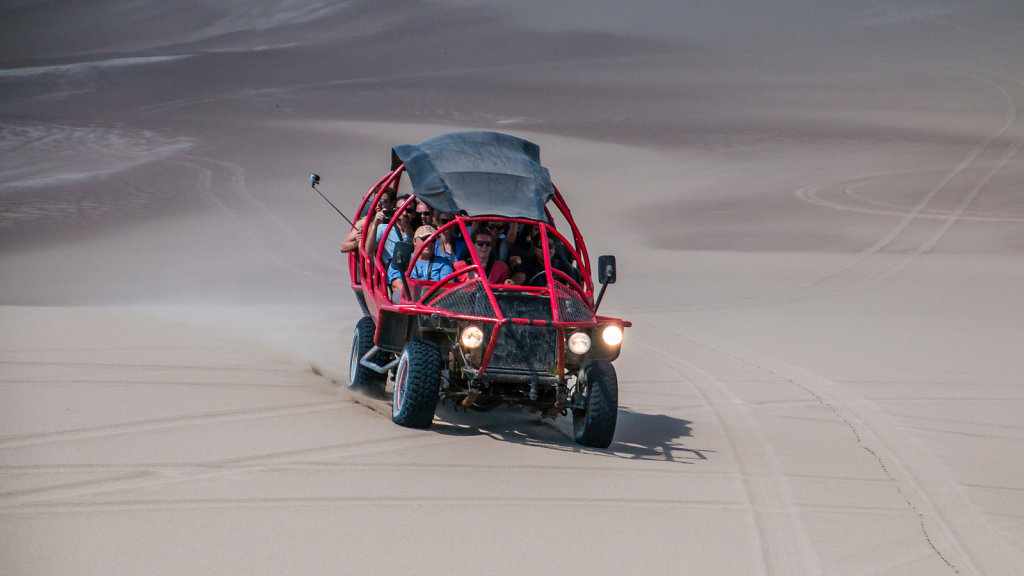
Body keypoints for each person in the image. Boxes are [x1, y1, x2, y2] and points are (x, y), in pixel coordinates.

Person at [388, 225, 455, 296]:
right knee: (397, 294)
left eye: (432, 240)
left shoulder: (443, 262)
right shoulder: (402, 258)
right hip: (408, 301)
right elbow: (396, 284)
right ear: (414, 241)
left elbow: (447, 286)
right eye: (425, 239)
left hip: (433, 301)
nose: (429, 243)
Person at [340, 186, 395, 254]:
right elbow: (343, 247)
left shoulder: (396, 222)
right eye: (376, 200)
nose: (378, 204)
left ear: (392, 204)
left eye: (383, 201)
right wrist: (358, 242)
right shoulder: (366, 223)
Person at [367, 194, 415, 264]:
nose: (404, 213)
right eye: (400, 209)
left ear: (414, 214)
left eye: (409, 211)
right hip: (392, 270)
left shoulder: (418, 231)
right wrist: (375, 224)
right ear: (395, 211)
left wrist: (405, 227)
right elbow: (369, 249)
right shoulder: (384, 229)